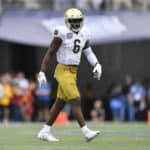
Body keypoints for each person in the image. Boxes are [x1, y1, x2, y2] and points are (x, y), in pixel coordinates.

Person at [37, 8, 102, 142]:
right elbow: (50, 52)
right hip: (63, 70)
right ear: (67, 21)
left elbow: (88, 51)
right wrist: (42, 71)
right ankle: (85, 131)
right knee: (75, 99)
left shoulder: (84, 33)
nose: (77, 24)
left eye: (78, 21)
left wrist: (96, 64)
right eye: (73, 21)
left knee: (59, 103)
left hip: (73, 72)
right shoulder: (62, 32)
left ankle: (45, 131)